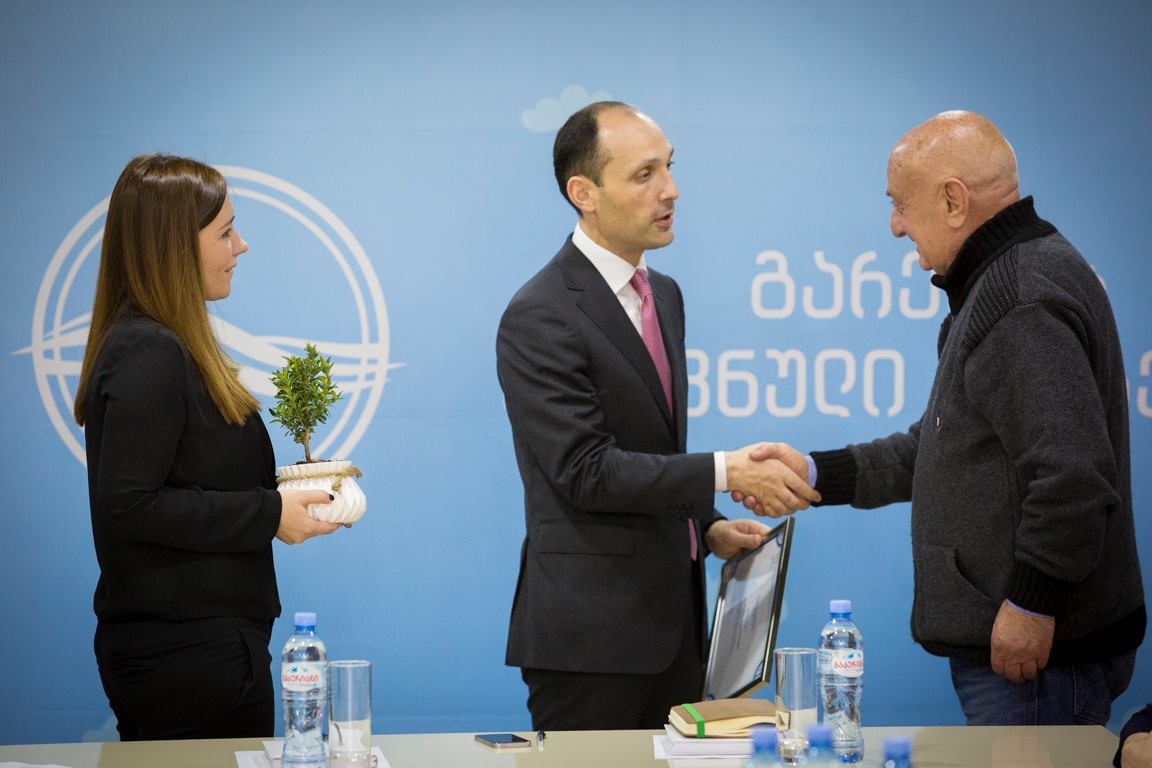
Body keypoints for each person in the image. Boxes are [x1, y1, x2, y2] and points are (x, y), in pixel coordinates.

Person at [739, 110, 1145, 725]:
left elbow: (1072, 477)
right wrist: (815, 473)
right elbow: (939, 446)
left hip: (1039, 664)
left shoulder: (1018, 299)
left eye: (900, 205)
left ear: (953, 201)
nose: (895, 226)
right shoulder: (1005, 280)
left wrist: (1032, 604)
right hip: (1034, 662)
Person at [495, 101, 820, 730]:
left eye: (669, 167)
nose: (671, 190)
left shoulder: (663, 294)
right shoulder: (540, 313)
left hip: (677, 633)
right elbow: (587, 471)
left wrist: (706, 525)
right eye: (644, 174)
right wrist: (726, 472)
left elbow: (651, 449)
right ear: (583, 193)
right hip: (591, 646)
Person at [73, 154, 342, 740]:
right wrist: (270, 513)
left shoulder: (164, 347)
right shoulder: (149, 352)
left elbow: (192, 481)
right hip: (188, 658)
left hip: (202, 651)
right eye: (224, 232)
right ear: (174, 246)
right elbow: (129, 505)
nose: (240, 246)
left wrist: (287, 496)